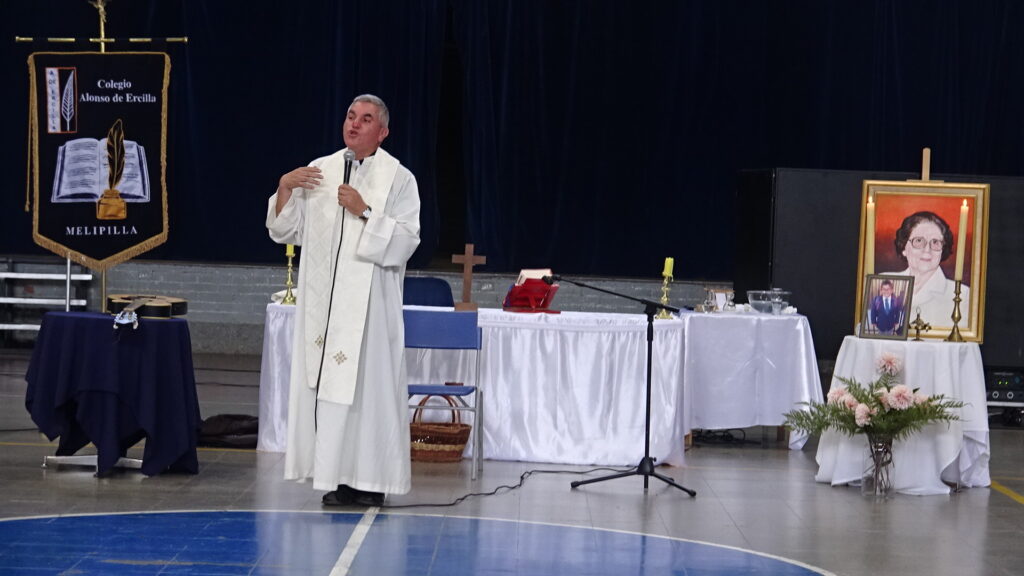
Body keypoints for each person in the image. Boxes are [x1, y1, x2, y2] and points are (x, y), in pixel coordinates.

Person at [266, 94, 421, 507]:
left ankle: (370, 481)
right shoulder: (321, 170)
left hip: (369, 313)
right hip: (325, 310)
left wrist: (365, 211)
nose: (354, 124)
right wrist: (284, 187)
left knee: (368, 396)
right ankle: (335, 478)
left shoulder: (399, 178)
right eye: (351, 116)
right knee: (328, 393)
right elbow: (286, 231)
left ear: (382, 132)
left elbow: (406, 241)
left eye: (366, 119)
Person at [889, 211, 969, 327]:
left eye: (935, 242)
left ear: (942, 250)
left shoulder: (964, 295)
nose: (927, 250)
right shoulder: (883, 283)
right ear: (903, 248)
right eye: (918, 241)